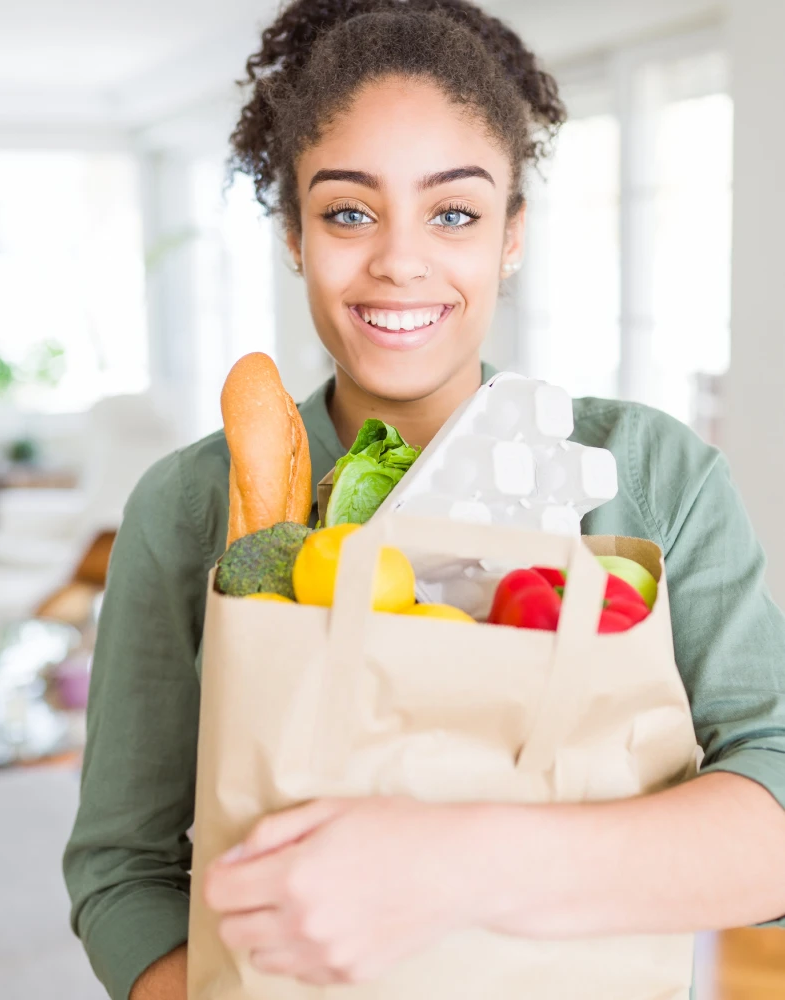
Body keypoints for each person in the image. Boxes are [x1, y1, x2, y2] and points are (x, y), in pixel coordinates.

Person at [63, 1, 785, 997]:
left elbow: (772, 812)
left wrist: (447, 867)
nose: (398, 259)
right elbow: (122, 867)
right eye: (348, 211)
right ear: (291, 233)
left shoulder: (649, 477)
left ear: (510, 234)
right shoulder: (191, 504)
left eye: (452, 211)